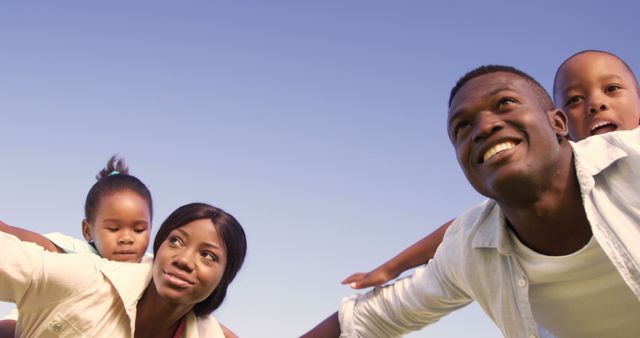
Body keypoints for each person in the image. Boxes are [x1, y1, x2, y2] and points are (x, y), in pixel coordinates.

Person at [303, 65, 640, 337]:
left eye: (505, 103)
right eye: (462, 128)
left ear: (557, 122)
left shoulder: (632, 161)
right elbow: (370, 320)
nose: (483, 127)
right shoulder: (470, 248)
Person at [342, 49, 640, 290]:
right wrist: (390, 269)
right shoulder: (562, 174)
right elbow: (464, 229)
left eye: (612, 89)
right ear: (560, 123)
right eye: (575, 99)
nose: (595, 104)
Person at [0, 202, 246, 337]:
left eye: (208, 255)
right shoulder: (87, 278)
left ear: (225, 276)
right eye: (176, 241)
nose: (184, 259)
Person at [0, 155, 153, 335]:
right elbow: (24, 238)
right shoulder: (79, 252)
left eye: (139, 229)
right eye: (113, 228)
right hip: (35, 322)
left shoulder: (151, 268)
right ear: (88, 230)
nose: (126, 238)